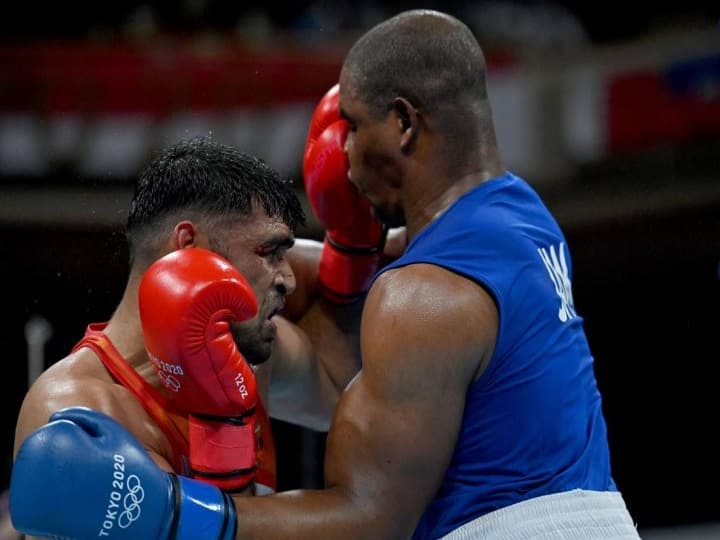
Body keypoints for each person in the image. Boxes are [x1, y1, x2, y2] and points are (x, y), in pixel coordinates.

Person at [9, 9, 641, 540]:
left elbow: (358, 449)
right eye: (271, 254)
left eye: (354, 129)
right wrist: (347, 250)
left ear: (402, 123)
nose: (287, 277)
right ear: (188, 250)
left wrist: (178, 513)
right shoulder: (77, 412)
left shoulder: (278, 345)